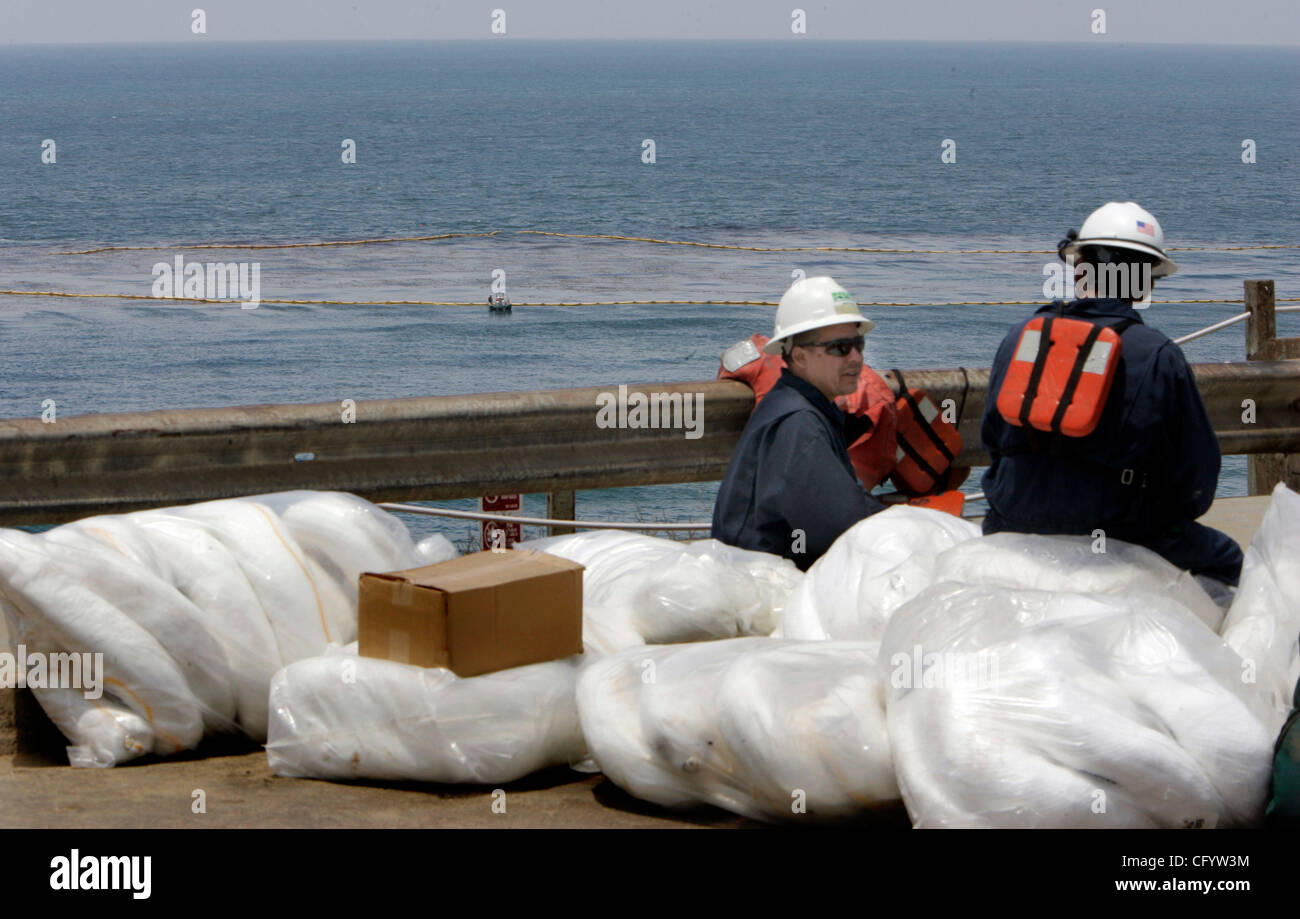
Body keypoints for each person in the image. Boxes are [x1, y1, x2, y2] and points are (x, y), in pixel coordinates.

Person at [980, 201, 1243, 587]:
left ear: (1080, 266)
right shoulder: (1157, 354)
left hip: (1010, 516)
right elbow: (1194, 477)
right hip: (1118, 528)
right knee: (1228, 560)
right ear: (1143, 280)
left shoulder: (1021, 336)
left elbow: (992, 438)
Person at [712, 276, 887, 570]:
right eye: (840, 348)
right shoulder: (799, 424)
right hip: (765, 591)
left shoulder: (798, 406)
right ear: (800, 356)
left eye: (859, 344)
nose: (856, 357)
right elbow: (845, 530)